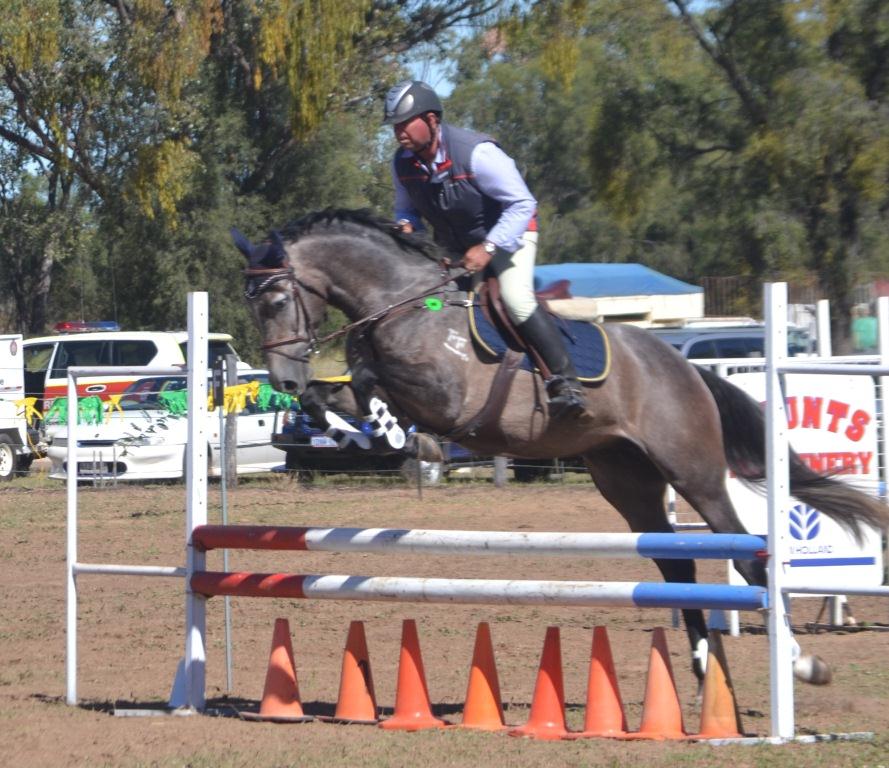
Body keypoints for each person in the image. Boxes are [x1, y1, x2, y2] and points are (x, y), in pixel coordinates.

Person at [383, 80, 586, 419]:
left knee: (515, 298)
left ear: (431, 120)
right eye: (394, 126)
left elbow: (522, 204)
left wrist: (490, 247)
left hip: (511, 236)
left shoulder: (477, 153)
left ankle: (566, 382)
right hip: (458, 250)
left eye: (405, 123)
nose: (398, 132)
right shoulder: (402, 163)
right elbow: (406, 211)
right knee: (433, 304)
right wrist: (405, 227)